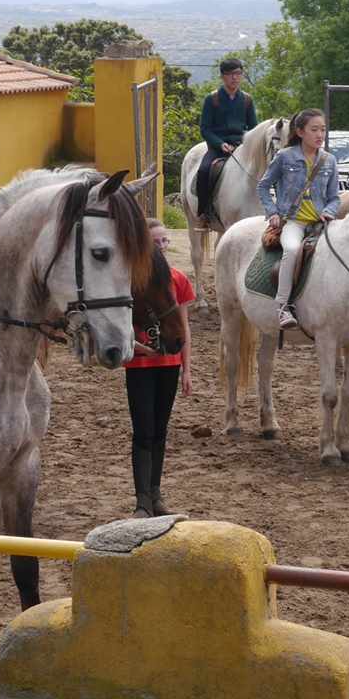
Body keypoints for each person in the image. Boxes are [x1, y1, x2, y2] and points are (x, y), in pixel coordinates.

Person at [125, 218, 195, 517]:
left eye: (165, 241)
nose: (162, 246)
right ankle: (142, 500)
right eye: (156, 242)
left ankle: (155, 494)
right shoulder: (131, 281)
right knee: (143, 429)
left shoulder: (178, 278)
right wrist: (137, 347)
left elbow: (183, 327)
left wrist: (187, 368)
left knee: (160, 431)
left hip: (169, 364)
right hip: (140, 365)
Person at [256, 108, 341, 331]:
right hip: (293, 222)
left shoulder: (330, 161)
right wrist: (272, 212)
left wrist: (330, 211)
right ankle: (283, 306)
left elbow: (334, 198)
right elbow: (263, 186)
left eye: (323, 129)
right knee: (292, 250)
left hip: (321, 223)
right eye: (314, 130)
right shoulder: (284, 157)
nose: (320, 134)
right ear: (300, 132)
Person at [195, 57, 257, 221]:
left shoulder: (247, 100)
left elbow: (253, 128)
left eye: (238, 74)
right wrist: (220, 144)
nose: (235, 78)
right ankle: (204, 212)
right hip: (218, 147)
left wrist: (246, 144)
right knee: (203, 171)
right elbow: (205, 129)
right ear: (223, 76)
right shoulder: (212, 99)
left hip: (241, 146)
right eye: (230, 74)